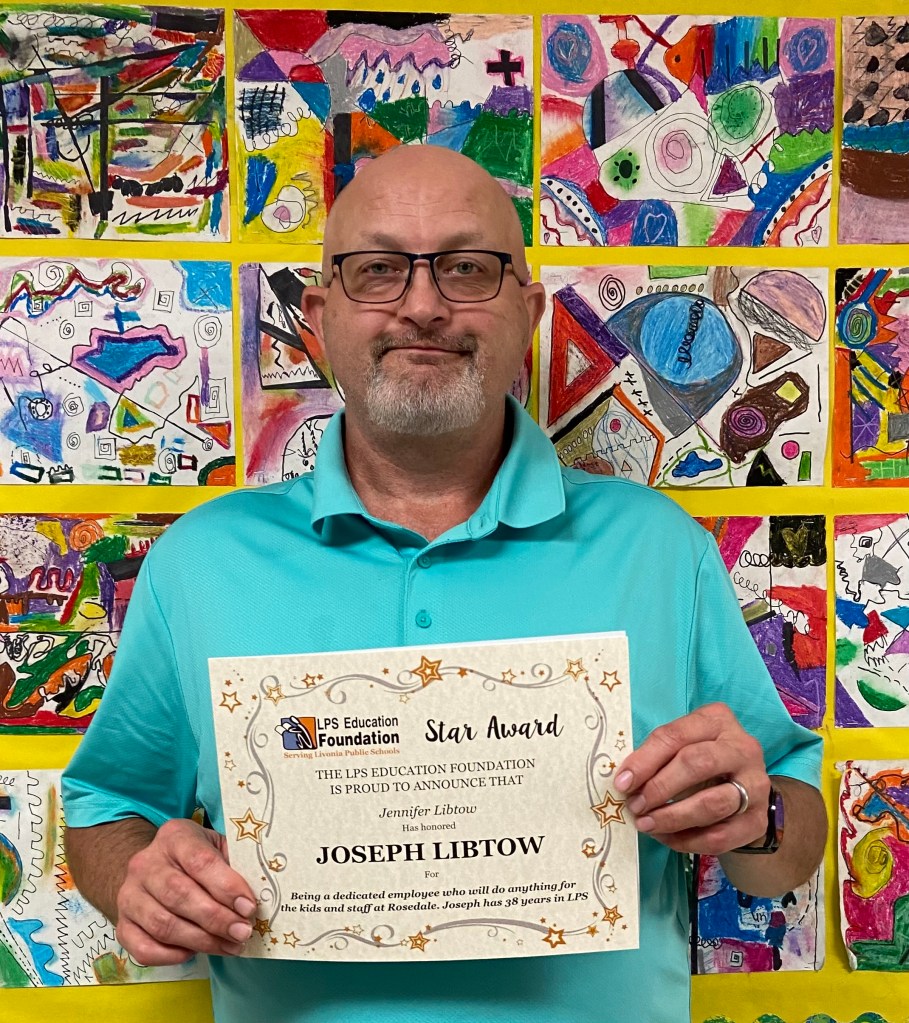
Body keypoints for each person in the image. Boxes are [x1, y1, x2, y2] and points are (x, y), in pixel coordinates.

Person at [62, 146, 826, 1022]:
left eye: (466, 268)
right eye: (377, 269)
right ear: (320, 315)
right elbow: (108, 804)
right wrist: (140, 877)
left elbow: (787, 844)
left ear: (526, 312)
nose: (422, 305)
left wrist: (757, 815)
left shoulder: (659, 548)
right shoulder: (200, 560)